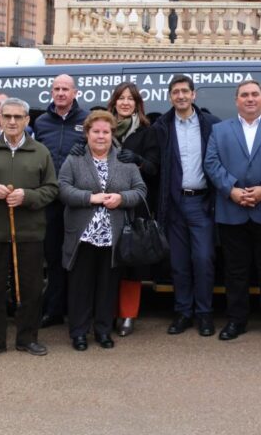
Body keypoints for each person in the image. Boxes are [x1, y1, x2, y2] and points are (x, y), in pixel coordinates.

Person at [0, 98, 59, 360]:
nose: (13, 121)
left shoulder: (40, 152)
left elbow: (51, 189)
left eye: (18, 117)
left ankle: (28, 338)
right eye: (7, 116)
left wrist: (27, 197)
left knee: (30, 288)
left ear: (27, 120)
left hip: (29, 232)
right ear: (0, 119)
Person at [204, 80, 261, 345]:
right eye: (244, 95)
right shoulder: (220, 130)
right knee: (235, 272)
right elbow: (211, 163)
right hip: (232, 210)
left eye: (255, 94)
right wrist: (231, 189)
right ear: (237, 101)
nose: (250, 99)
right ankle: (236, 321)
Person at [59, 111, 147, 351]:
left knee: (107, 287)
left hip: (113, 237)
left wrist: (121, 198)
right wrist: (90, 197)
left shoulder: (125, 161)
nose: (100, 136)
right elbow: (63, 189)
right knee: (80, 287)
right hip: (82, 236)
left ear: (112, 135)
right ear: (87, 134)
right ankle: (79, 333)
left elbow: (140, 191)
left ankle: (103, 330)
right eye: (96, 131)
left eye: (105, 132)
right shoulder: (74, 159)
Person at [153, 75, 220, 337]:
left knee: (203, 260)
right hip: (173, 204)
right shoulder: (162, 126)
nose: (180, 96)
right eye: (175, 92)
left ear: (194, 95)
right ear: (170, 97)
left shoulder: (210, 124)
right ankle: (183, 312)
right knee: (179, 263)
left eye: (185, 91)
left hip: (201, 202)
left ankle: (204, 314)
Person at [33, 74, 90, 328]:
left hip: (79, 200)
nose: (60, 93)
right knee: (53, 256)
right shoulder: (42, 122)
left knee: (79, 256)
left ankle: (77, 311)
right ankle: (54, 309)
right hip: (51, 200)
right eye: (56, 88)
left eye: (65, 89)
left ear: (75, 92)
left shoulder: (86, 120)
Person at [106, 83, 159, 337]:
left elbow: (154, 169)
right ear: (114, 102)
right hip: (105, 206)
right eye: (121, 98)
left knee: (130, 263)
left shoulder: (147, 132)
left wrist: (138, 160)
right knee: (107, 263)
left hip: (134, 207)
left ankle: (128, 315)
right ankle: (107, 312)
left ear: (137, 104)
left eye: (130, 99)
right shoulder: (103, 128)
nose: (125, 102)